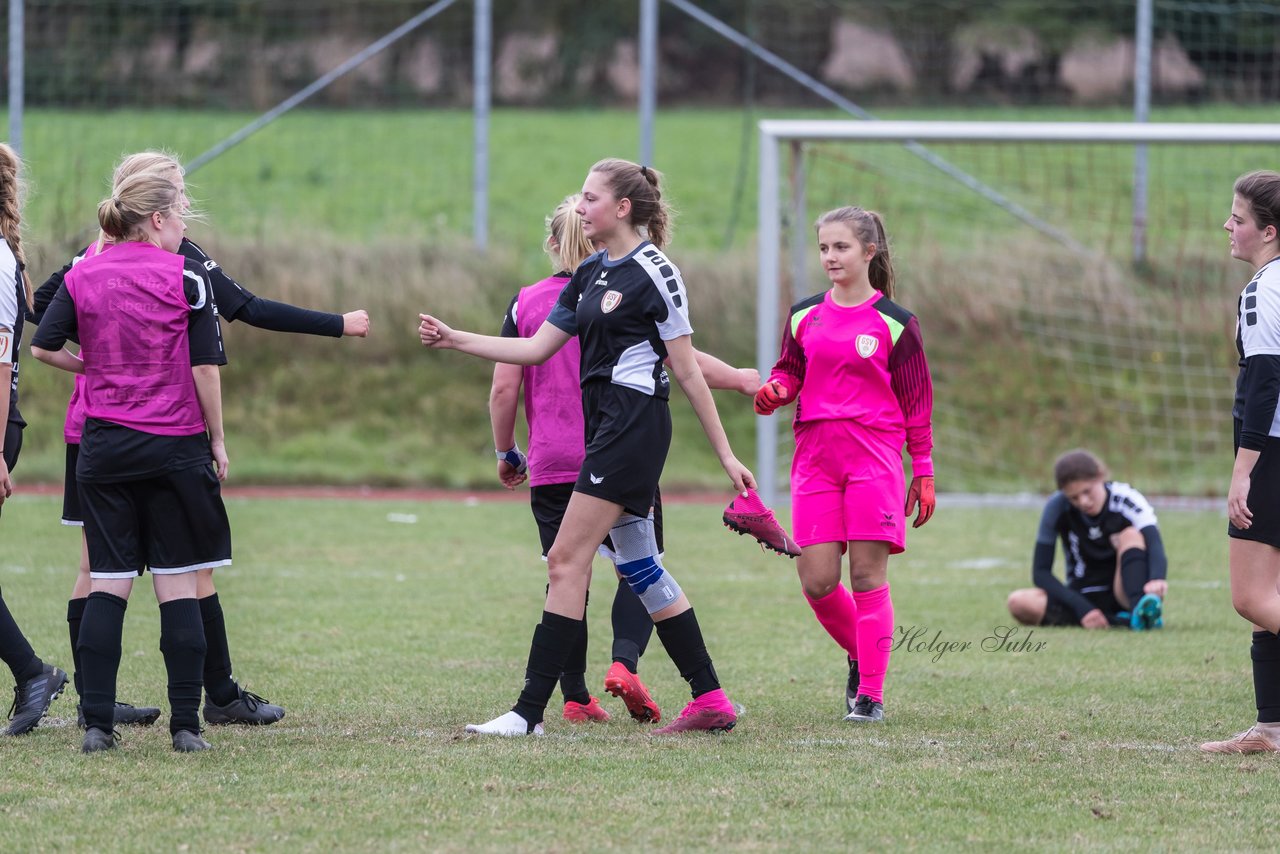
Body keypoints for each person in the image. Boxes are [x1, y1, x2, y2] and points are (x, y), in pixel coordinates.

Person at [31, 150, 370, 729]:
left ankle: (100, 706)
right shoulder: (176, 260)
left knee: (99, 568)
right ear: (157, 209)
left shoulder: (89, 258)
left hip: (94, 432)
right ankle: (212, 695)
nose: (187, 204)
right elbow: (246, 309)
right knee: (187, 570)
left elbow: (42, 309)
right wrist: (337, 323)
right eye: (180, 192)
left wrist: (95, 362)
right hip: (167, 433)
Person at [423, 158, 752, 736]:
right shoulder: (590, 273)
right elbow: (532, 351)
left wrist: (725, 454)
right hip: (607, 432)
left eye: (590, 198)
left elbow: (689, 371)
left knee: (564, 561)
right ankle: (711, 699)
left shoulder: (655, 271)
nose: (581, 208)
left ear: (623, 208)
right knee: (642, 567)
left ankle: (527, 715)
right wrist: (455, 340)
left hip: (633, 430)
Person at [31, 172, 228, 752]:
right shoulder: (185, 276)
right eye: (182, 215)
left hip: (105, 447)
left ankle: (96, 725)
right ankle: (186, 727)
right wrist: (217, 439)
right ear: (158, 219)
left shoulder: (82, 273)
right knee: (176, 583)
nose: (186, 225)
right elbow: (204, 368)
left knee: (109, 582)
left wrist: (97, 371)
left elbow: (43, 345)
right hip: (174, 445)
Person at [754, 205, 935, 724]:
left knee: (866, 574)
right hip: (815, 460)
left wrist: (922, 469)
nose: (830, 257)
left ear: (868, 252)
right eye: (824, 248)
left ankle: (871, 697)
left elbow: (917, 401)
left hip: (874, 458)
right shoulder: (802, 315)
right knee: (815, 579)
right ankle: (861, 650)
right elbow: (789, 371)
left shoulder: (896, 324)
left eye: (841, 247)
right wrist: (776, 391)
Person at [1201, 170, 1280, 754]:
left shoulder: (1265, 289)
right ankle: (1271, 727)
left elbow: (1264, 380)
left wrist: (1242, 469)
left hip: (1271, 454)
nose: (1228, 226)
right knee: (1270, 598)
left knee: (1251, 597)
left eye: (1239, 218)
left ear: (1269, 232)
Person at [0, 142, 69, 736]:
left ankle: (33, 674)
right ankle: (31, 674)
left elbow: (1, 368)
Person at [1006, 449, 1168, 632]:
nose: (1083, 502)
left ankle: (1139, 608)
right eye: (1074, 498)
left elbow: (1154, 543)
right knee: (1018, 602)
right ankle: (1118, 622)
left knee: (1131, 534)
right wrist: (1083, 609)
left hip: (1123, 592)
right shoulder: (1056, 506)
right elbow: (1040, 573)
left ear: (1100, 477)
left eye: (1087, 492)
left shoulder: (1126, 498)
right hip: (1082, 596)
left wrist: (1157, 580)